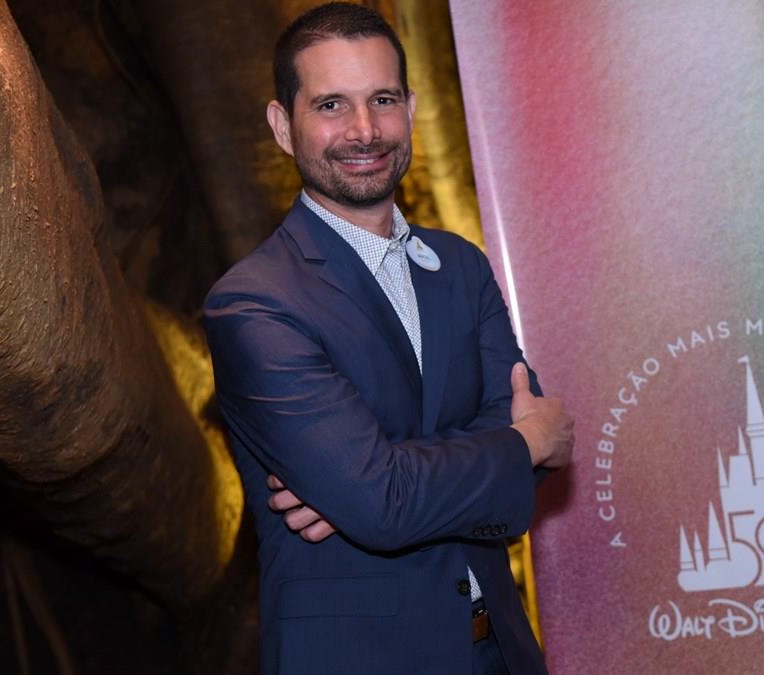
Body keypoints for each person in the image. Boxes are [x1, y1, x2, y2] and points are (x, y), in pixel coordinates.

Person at [202, 4, 573, 673]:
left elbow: (393, 491)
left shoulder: (460, 265)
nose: (365, 129)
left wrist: (368, 483)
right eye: (332, 105)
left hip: (500, 651)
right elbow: (386, 503)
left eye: (382, 99)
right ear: (283, 127)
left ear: (411, 108)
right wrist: (521, 443)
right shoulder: (253, 302)